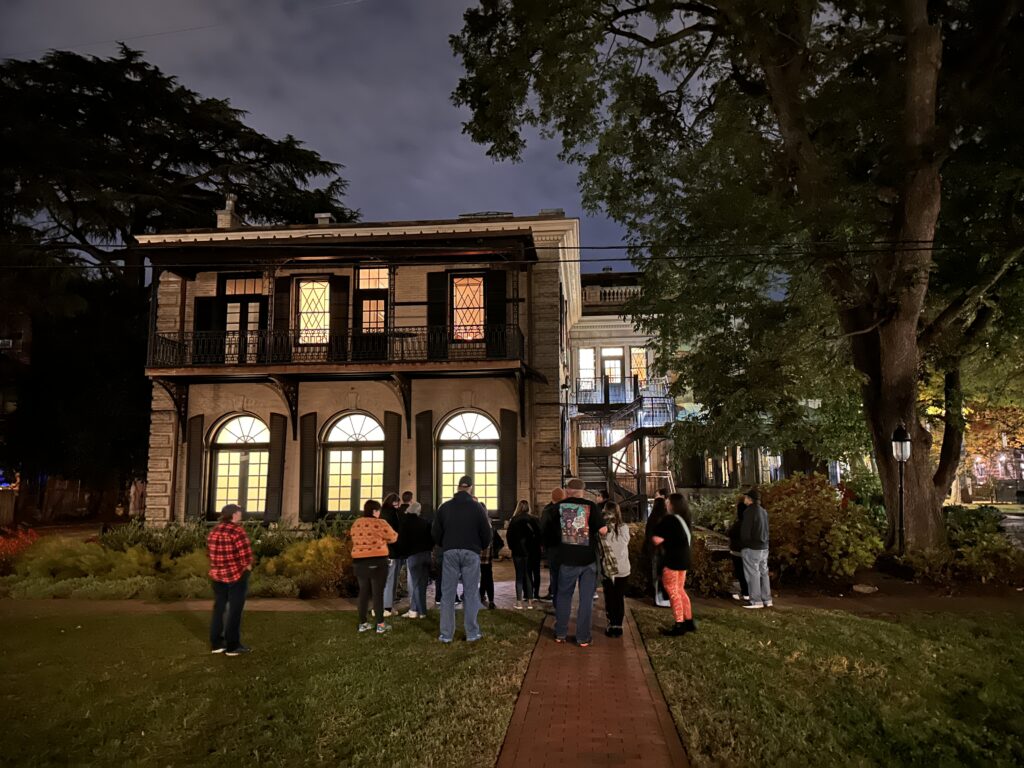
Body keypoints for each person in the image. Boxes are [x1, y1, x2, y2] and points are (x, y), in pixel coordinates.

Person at [548, 477, 607, 647]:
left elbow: (551, 533)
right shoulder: (592, 507)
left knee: (564, 596)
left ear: (568, 491)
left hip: (567, 559)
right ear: (582, 491)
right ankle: (583, 637)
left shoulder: (558, 508)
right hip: (588, 560)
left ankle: (560, 633)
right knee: (586, 599)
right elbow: (603, 531)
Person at [432, 475, 492, 643]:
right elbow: (486, 533)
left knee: (448, 594)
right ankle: (472, 633)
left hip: (450, 551)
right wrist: (479, 546)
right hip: (471, 552)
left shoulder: (445, 507)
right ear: (470, 487)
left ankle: (446, 634)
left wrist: (445, 544)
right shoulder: (477, 508)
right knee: (471, 593)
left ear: (458, 487)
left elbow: (435, 533)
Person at [207, 503, 254, 656]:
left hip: (217, 575)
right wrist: (247, 567)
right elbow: (245, 555)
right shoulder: (237, 532)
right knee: (234, 610)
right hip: (236, 575)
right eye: (239, 513)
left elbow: (211, 554)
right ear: (234, 515)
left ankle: (216, 643)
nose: (241, 515)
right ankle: (232, 646)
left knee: (219, 609)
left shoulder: (214, 531)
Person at [349, 499, 399, 633]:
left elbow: (353, 537)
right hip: (377, 561)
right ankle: (380, 625)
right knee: (378, 593)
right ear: (375, 511)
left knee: (363, 593)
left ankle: (363, 624)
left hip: (359, 562)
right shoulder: (380, 523)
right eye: (378, 511)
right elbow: (393, 537)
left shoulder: (356, 523)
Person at [652, 493, 696, 635]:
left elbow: (657, 539)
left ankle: (679, 624)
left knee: (672, 590)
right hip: (684, 560)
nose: (665, 503)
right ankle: (688, 620)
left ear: (672, 504)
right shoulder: (684, 520)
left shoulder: (669, 520)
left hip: (671, 560)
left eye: (668, 501)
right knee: (680, 589)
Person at [599, 500, 631, 637]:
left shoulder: (603, 530)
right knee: (619, 598)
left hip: (608, 568)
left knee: (610, 597)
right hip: (623, 568)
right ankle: (619, 625)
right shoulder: (624, 528)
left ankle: (612, 623)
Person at [397, 502, 433, 618]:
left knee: (415, 585)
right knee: (422, 585)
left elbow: (401, 541)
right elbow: (432, 538)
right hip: (426, 555)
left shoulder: (405, 523)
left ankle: (419, 612)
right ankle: (416, 610)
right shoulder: (425, 522)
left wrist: (403, 554)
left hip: (413, 556)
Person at [740, 487, 773, 609]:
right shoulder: (763, 511)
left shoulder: (749, 512)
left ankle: (756, 600)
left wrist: (745, 542)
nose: (744, 499)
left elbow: (746, 530)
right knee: (764, 573)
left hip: (752, 547)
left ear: (750, 499)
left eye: (746, 497)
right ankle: (767, 599)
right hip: (764, 547)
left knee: (753, 573)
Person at [507, 499, 541, 609]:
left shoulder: (514, 520)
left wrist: (512, 547)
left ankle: (519, 602)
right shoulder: (533, 519)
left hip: (517, 552)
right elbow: (539, 535)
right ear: (528, 507)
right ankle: (530, 602)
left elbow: (509, 536)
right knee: (528, 575)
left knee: (519, 577)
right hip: (529, 551)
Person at [539, 487, 565, 603]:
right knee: (562, 572)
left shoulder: (547, 510)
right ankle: (557, 594)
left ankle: (554, 596)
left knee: (554, 572)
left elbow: (542, 529)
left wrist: (542, 544)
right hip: (564, 546)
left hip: (552, 546)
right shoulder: (567, 509)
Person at [380, 492, 404, 616]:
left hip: (382, 551)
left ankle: (382, 606)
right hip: (392, 552)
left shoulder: (381, 514)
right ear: (395, 502)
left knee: (384, 580)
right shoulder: (394, 515)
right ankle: (387, 607)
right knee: (391, 580)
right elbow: (396, 534)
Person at [645, 496, 671, 607]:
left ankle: (657, 598)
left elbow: (648, 535)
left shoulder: (652, 518)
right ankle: (667, 598)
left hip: (655, 550)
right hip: (667, 551)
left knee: (655, 575)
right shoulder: (668, 518)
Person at [727, 495, 750, 601]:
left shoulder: (738, 524)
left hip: (737, 552)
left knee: (741, 573)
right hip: (749, 552)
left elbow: (730, 533)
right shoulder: (750, 524)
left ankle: (745, 593)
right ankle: (749, 592)